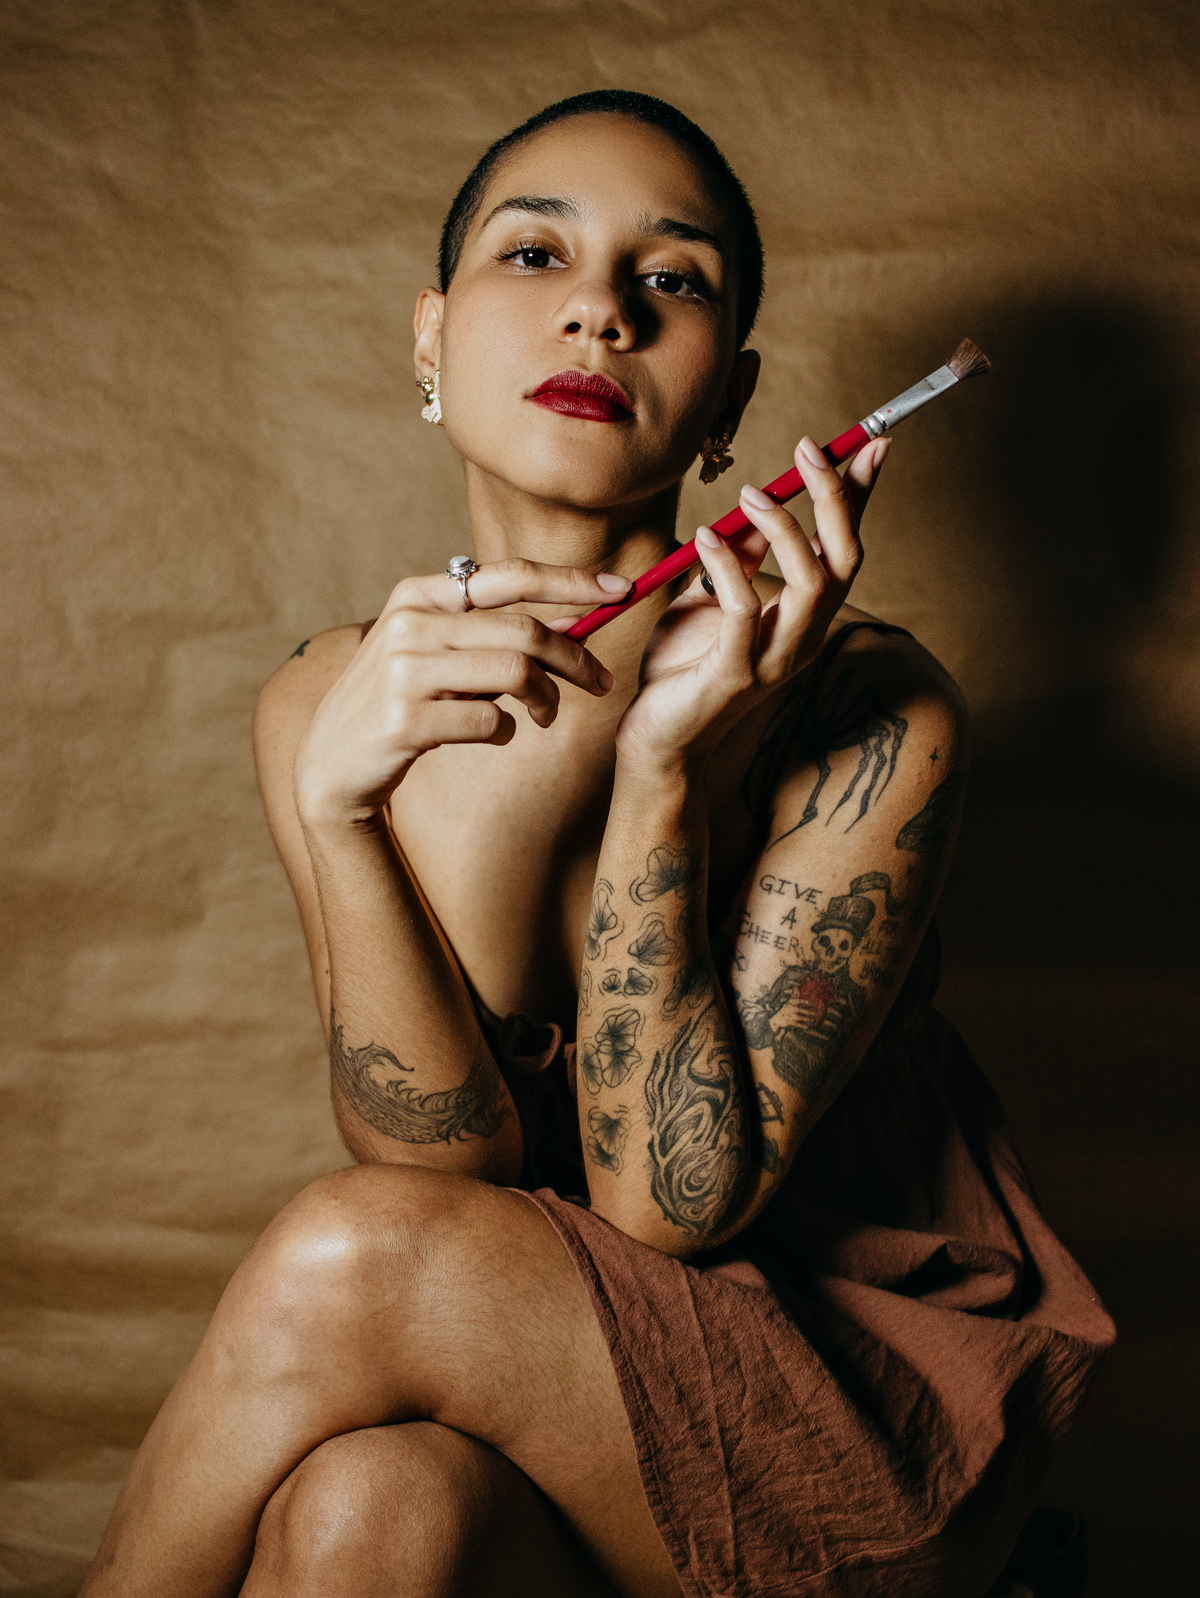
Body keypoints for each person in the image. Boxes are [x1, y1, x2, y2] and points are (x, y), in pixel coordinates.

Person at [81, 91, 1114, 1598]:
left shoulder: (875, 710)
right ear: (429, 338)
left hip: (854, 1417)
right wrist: (337, 811)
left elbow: (660, 1204)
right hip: (546, 1384)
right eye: (532, 253)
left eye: (671, 277)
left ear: (730, 395)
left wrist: (663, 771)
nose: (599, 311)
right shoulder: (333, 699)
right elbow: (445, 1165)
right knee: (370, 1508)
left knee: (354, 1250)